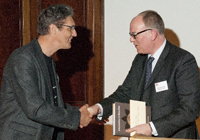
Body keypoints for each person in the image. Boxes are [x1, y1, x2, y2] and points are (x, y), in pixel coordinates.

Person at [88, 10, 200, 139]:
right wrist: (98, 108)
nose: (131, 39)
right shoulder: (139, 59)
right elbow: (124, 93)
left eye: (134, 35)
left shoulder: (183, 60)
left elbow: (190, 109)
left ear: (152, 34)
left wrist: (151, 128)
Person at [0, 4, 92, 140]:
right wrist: (78, 117)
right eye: (70, 28)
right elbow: (36, 109)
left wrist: (82, 113)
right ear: (53, 29)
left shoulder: (47, 59)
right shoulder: (22, 58)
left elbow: (52, 105)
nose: (75, 33)